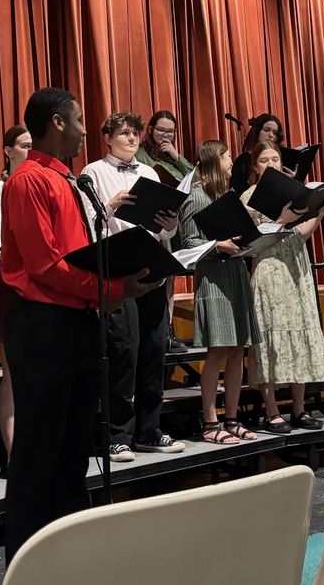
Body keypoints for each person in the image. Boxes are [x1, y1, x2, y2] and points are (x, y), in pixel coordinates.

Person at [0, 87, 162, 562]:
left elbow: (78, 254)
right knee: (39, 450)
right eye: (77, 121)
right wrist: (114, 288)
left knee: (73, 448)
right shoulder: (28, 180)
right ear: (56, 123)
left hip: (77, 318)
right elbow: (45, 266)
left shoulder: (67, 178)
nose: (85, 131)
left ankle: (69, 557)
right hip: (43, 322)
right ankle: (27, 561)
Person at [80, 112, 184, 462]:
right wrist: (110, 206)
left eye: (135, 133)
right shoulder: (94, 172)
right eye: (124, 133)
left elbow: (164, 230)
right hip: (119, 268)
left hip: (151, 264)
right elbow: (86, 224)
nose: (132, 138)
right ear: (108, 138)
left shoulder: (149, 173)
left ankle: (149, 431)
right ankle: (117, 436)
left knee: (155, 349)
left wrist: (170, 223)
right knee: (123, 351)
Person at [241, 142, 324, 433]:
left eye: (275, 159)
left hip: (296, 266)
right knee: (270, 338)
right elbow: (253, 242)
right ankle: (272, 411)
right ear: (255, 167)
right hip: (270, 268)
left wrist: (319, 212)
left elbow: (300, 234)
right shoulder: (249, 197)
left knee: (299, 333)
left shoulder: (293, 191)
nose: (271, 164)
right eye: (264, 160)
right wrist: (283, 220)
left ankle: (299, 409)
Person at [178, 140, 261, 443]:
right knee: (218, 352)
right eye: (227, 156)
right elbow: (188, 243)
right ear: (214, 160)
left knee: (238, 351)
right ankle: (210, 422)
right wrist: (218, 245)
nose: (231, 161)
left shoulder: (228, 197)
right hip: (214, 279)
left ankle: (232, 418)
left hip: (236, 275)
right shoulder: (197, 198)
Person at [0, 125, 32, 462]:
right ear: (8, 151)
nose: (30, 151)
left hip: (43, 284)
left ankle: (40, 451)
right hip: (11, 285)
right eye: (24, 145)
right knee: (14, 374)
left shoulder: (44, 184)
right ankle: (16, 457)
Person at [134, 109, 193, 353]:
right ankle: (156, 331)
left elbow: (196, 180)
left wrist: (177, 157)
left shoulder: (173, 157)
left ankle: (168, 330)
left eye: (171, 131)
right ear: (150, 130)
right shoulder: (140, 155)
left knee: (170, 278)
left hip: (173, 223)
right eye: (161, 131)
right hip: (150, 221)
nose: (166, 136)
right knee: (156, 277)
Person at [231, 113, 285, 197]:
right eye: (266, 130)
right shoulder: (242, 161)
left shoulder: (283, 156)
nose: (271, 135)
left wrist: (293, 178)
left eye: (275, 133)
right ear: (257, 131)